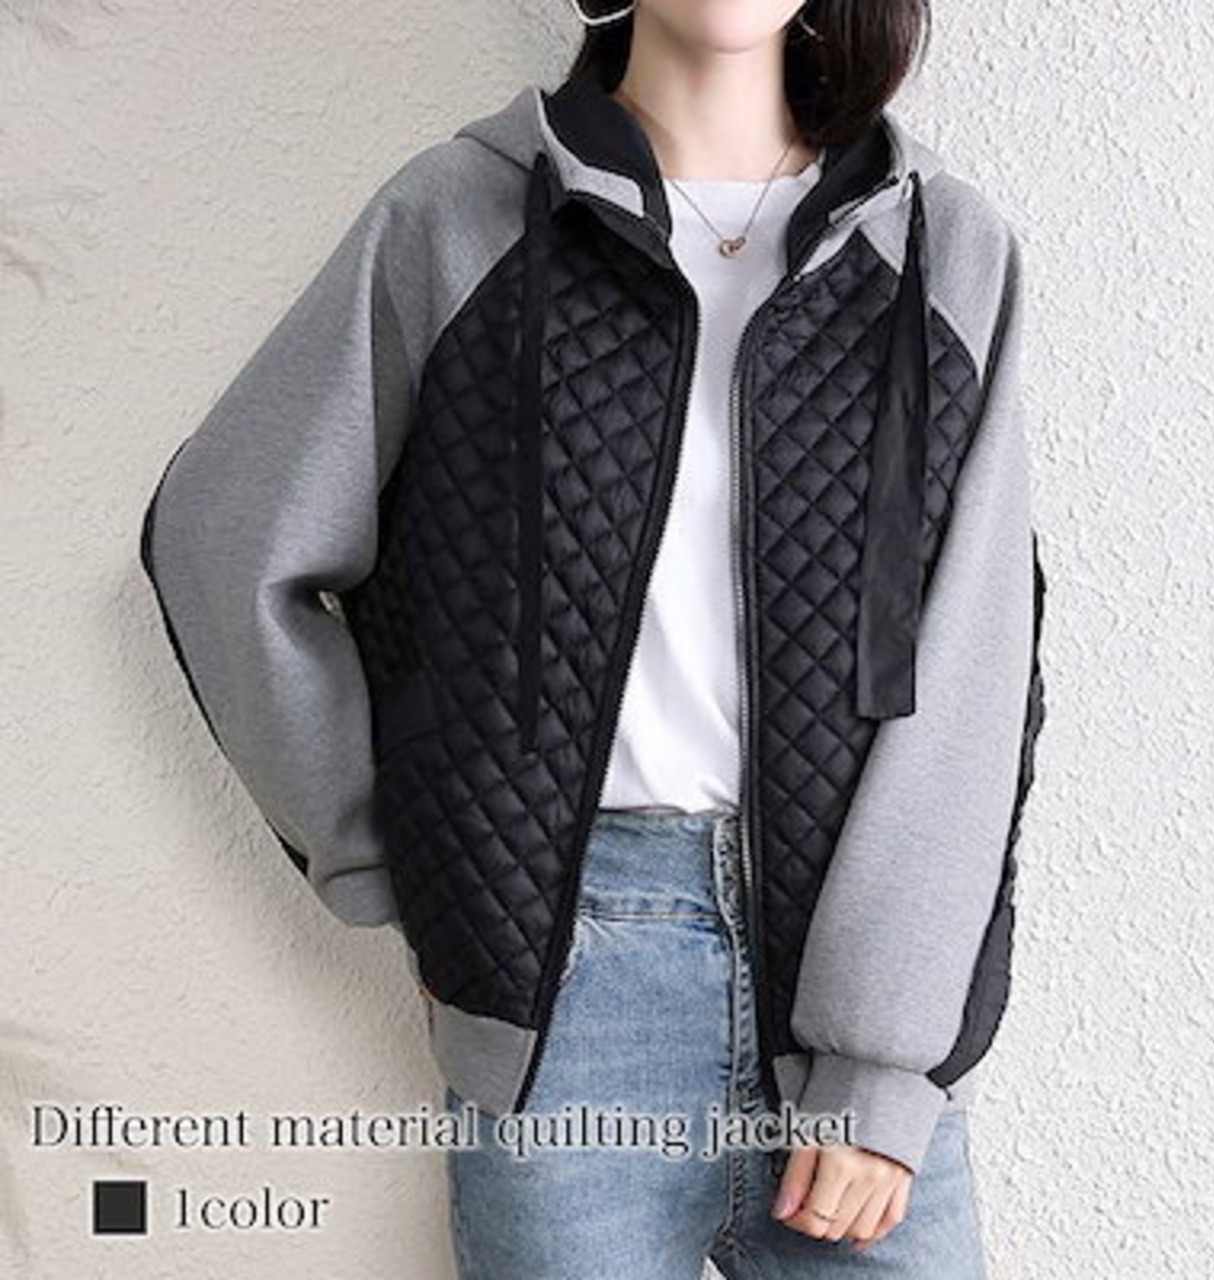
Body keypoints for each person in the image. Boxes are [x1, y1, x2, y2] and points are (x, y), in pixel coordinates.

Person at [139, 1, 1048, 1275]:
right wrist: (399, 866)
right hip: (567, 996)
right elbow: (229, 536)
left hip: (855, 993)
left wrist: (881, 1061)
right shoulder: (454, 217)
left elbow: (974, 672)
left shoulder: (943, 248)